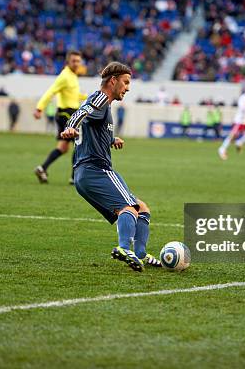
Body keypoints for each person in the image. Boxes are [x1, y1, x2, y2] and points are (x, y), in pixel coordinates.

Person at [60, 62, 161, 272]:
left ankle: (140, 254)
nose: (128, 87)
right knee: (129, 209)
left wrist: (111, 139)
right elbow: (81, 113)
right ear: (113, 81)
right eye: (125, 82)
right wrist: (70, 126)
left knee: (142, 208)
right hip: (95, 169)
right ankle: (124, 248)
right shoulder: (100, 98)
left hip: (87, 173)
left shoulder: (105, 106)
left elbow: (92, 128)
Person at [33, 50, 86, 184]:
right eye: (74, 61)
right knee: (80, 145)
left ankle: (42, 168)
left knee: (63, 147)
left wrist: (88, 97)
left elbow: (74, 94)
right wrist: (39, 108)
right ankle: (75, 178)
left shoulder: (72, 76)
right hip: (68, 114)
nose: (76, 63)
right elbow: (51, 91)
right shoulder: (65, 76)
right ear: (68, 62)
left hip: (67, 114)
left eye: (78, 61)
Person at [218, 83, 245, 159]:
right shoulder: (243, 98)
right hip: (240, 120)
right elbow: (243, 109)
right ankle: (222, 149)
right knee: (233, 135)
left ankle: (240, 142)